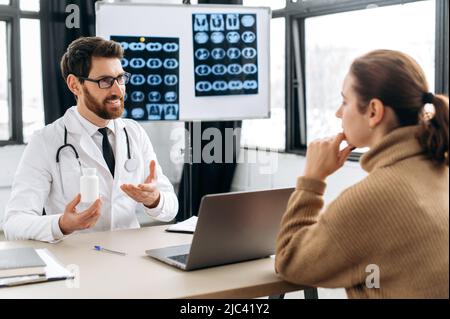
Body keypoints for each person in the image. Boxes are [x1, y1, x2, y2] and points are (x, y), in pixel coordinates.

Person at [275, 50, 449, 298]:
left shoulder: (377, 196)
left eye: (345, 102)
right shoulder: (441, 169)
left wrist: (312, 180)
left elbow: (289, 262)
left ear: (374, 111)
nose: (338, 113)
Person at [3, 37, 178, 242]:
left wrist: (154, 200)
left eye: (120, 78)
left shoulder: (134, 133)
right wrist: (61, 224)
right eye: (105, 81)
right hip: (76, 263)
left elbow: (171, 209)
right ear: (75, 85)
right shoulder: (46, 141)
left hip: (130, 257)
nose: (117, 90)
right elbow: (14, 224)